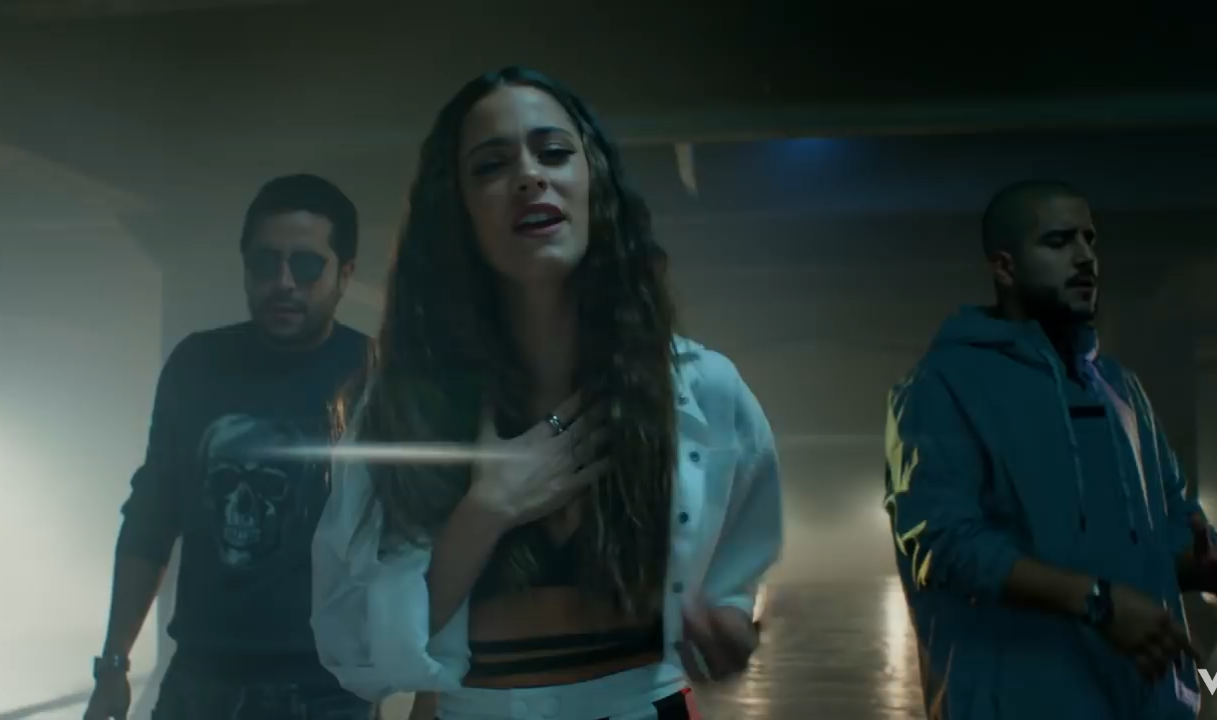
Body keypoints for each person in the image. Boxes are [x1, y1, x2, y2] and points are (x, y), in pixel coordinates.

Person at [310, 66, 784, 720]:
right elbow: (358, 654)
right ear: (457, 209)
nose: (531, 176)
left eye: (554, 152)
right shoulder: (400, 411)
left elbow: (735, 577)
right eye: (491, 165)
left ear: (594, 182)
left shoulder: (701, 390)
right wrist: (487, 511)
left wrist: (726, 626)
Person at [883, 179, 1217, 720]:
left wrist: (1202, 569)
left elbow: (1168, 520)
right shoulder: (942, 386)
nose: (1084, 257)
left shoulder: (1121, 389)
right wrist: (1098, 601)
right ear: (1004, 267)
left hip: (1150, 705)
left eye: (1089, 239)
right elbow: (944, 547)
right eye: (1058, 241)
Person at [84, 174, 379, 720]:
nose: (283, 282)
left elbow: (415, 539)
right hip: (200, 680)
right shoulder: (197, 365)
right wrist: (113, 665)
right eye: (265, 263)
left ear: (345, 274)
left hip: (327, 690)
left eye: (306, 265)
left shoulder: (376, 376)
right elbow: (151, 516)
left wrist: (428, 685)